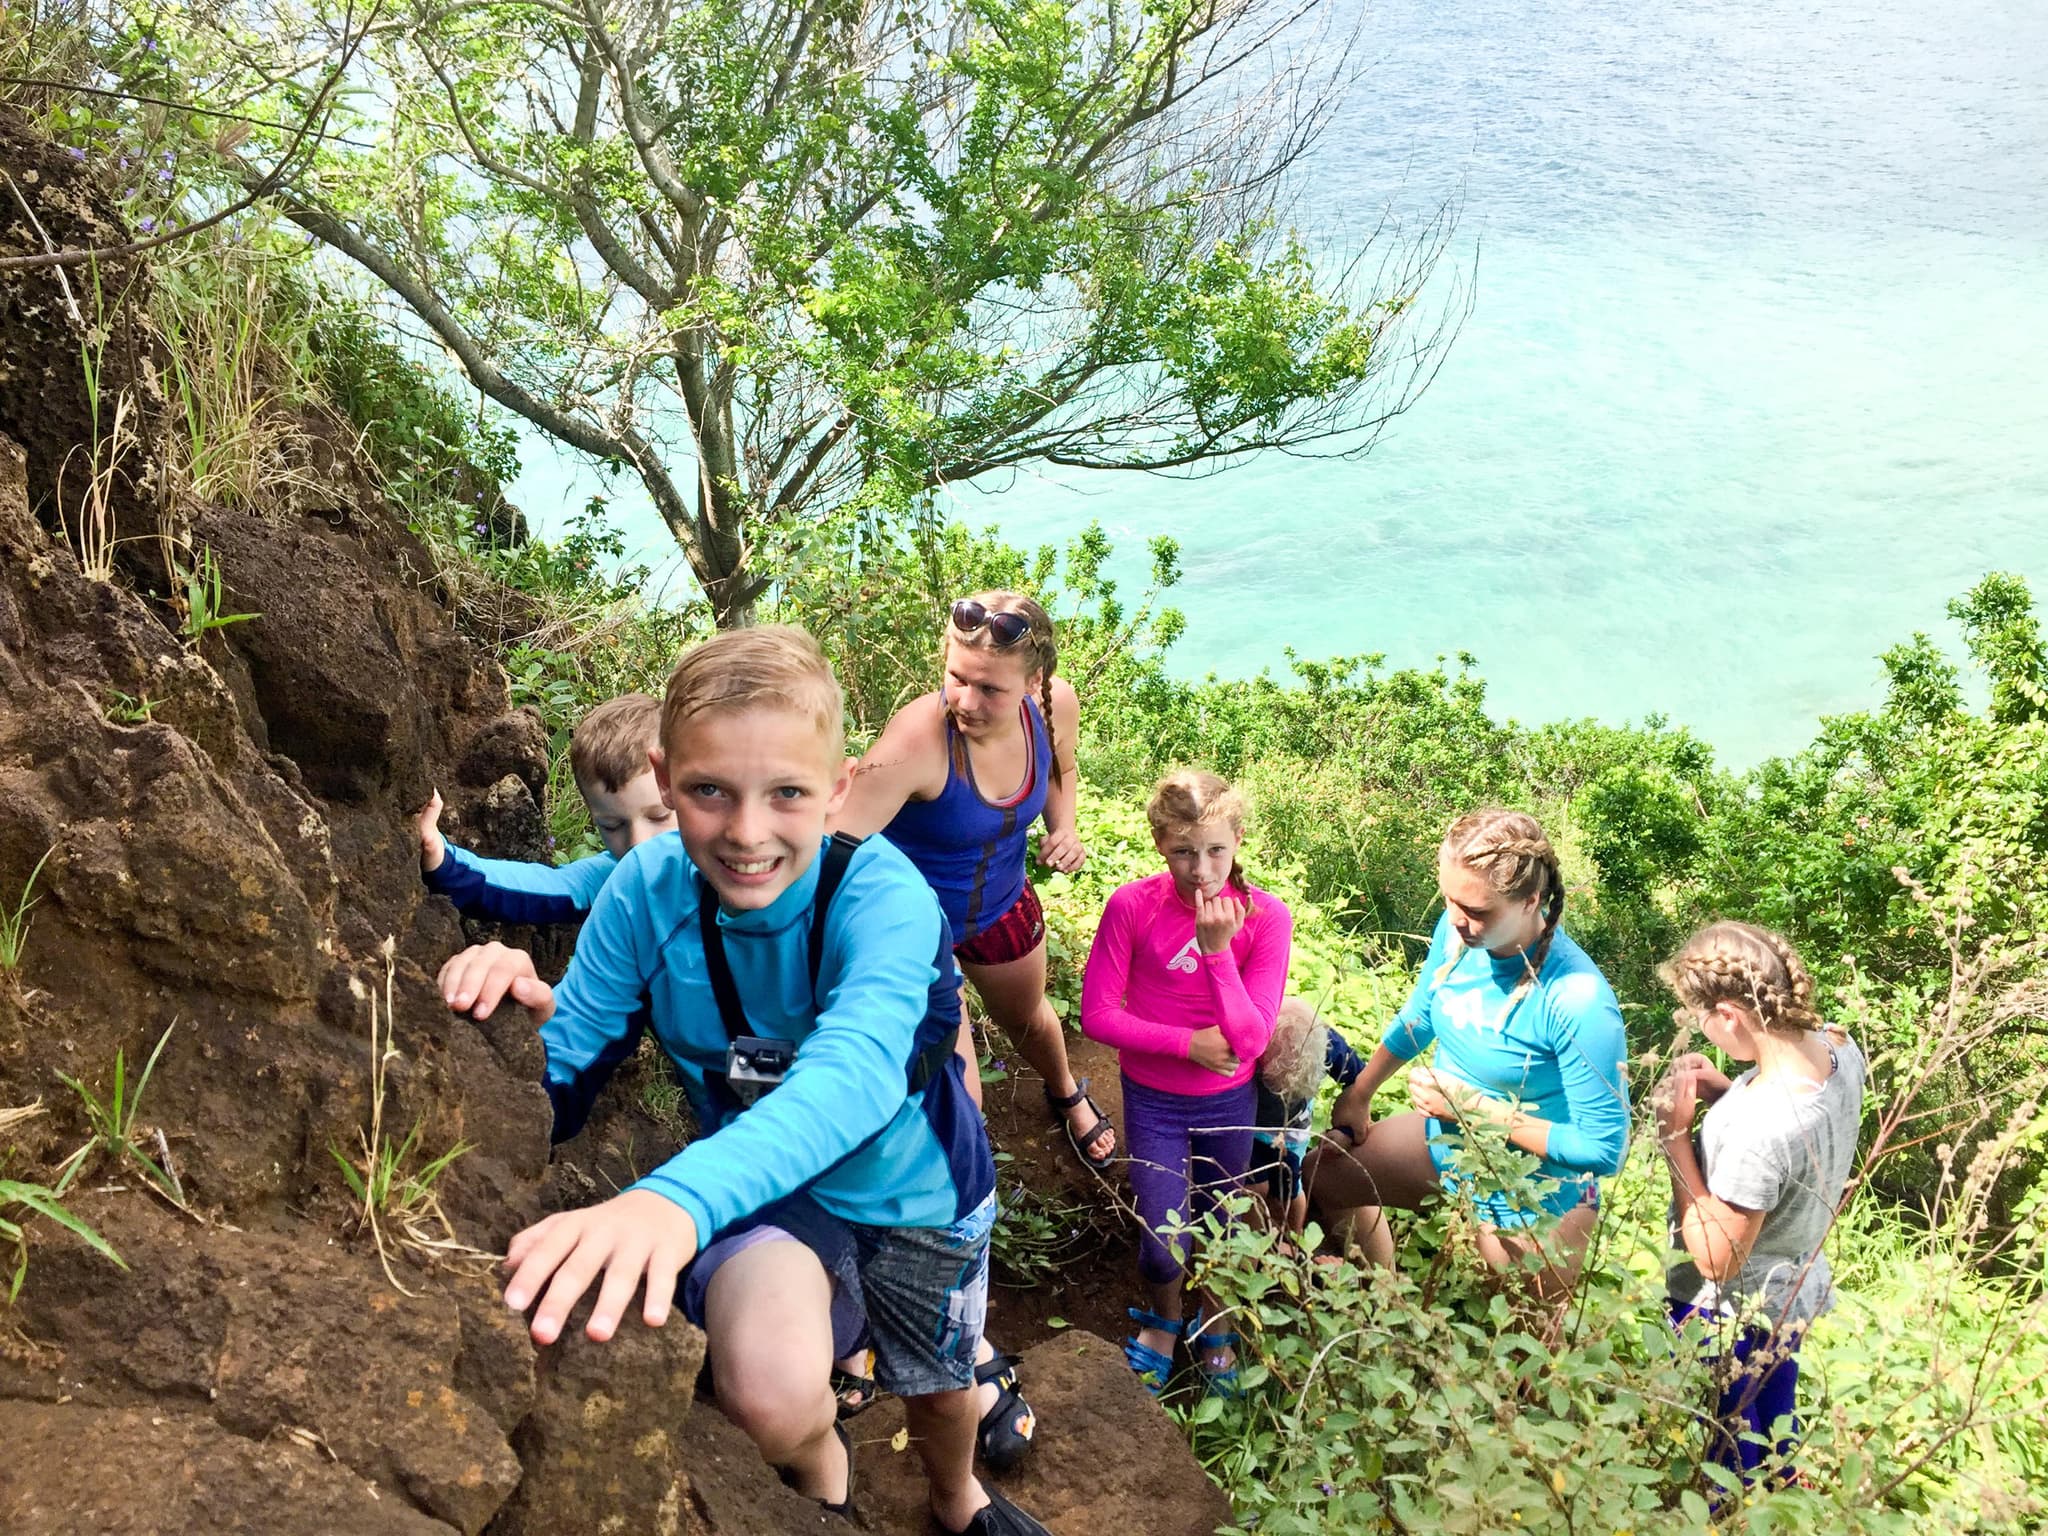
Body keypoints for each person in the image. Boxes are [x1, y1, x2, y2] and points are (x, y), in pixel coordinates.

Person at [435, 626, 1056, 1536]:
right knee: (769, 1398)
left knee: (940, 1386)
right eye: (709, 792)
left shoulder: (884, 900)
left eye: (789, 794)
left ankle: (956, 1495)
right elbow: (556, 1083)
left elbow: (854, 1077)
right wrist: (511, 1029)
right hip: (764, 1190)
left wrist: (671, 1202)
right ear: (664, 775)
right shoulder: (644, 892)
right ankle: (825, 1487)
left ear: (841, 788)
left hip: (918, 1186)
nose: (747, 832)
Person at [835, 591, 1114, 1170]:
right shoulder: (920, 737)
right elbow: (833, 845)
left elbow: (1063, 769)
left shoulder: (1052, 704)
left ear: (1033, 680)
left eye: (990, 689)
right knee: (959, 1083)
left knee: (1028, 1018)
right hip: (912, 928)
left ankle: (1063, 1089)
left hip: (1000, 905)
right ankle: (958, 1187)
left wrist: (1064, 827)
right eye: (957, 677)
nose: (966, 700)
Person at [1305, 809, 1628, 1298]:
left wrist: (1475, 1111)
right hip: (1443, 1147)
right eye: (1451, 901)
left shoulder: (1576, 999)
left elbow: (1604, 1150)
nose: (1460, 922)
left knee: (1520, 1344)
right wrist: (1362, 1090)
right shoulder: (1456, 932)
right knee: (1320, 1176)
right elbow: (1424, 1012)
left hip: (1533, 1194)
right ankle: (1381, 1303)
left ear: (1531, 902)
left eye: (1479, 913)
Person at [1080, 770, 1293, 1395]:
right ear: (1158, 843)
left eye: (1216, 850)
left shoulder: (1266, 918)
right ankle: (1166, 1321)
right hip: (1154, 1101)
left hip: (1229, 1101)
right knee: (1160, 1240)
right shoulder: (1133, 906)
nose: (1201, 869)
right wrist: (1187, 1043)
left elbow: (1252, 1040)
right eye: (1183, 851)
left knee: (1222, 1221)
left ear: (1239, 840)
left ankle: (1215, 1322)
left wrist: (1218, 951)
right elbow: (1098, 1015)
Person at [1654, 921, 1865, 1488]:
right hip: (1792, 1289)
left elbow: (1717, 1259)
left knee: (1730, 1446)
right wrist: (1727, 1089)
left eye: (1703, 1021)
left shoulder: (1760, 1131)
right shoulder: (1840, 1050)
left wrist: (1675, 1138)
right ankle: (1782, 1498)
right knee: (1774, 1423)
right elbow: (1798, 1138)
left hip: (1731, 1316)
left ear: (1729, 1014)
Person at [418, 692, 675, 921]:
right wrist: (442, 858)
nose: (638, 842)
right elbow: (536, 887)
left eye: (659, 816)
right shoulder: (616, 880)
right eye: (612, 825)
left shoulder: (714, 872)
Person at [1249, 998, 1366, 1238]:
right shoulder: (1256, 1031)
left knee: (1289, 1187)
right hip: (1248, 1126)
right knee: (1254, 1186)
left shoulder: (1328, 1043)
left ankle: (1294, 1236)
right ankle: (1253, 1243)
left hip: (1292, 1133)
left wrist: (1346, 1131)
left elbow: (1359, 1081)